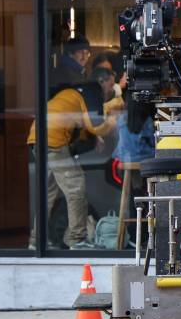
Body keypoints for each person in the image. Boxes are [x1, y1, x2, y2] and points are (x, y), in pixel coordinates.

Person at [28, 66, 118, 249]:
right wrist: (112, 121)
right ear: (100, 82)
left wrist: (93, 136)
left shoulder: (73, 93)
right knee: (76, 188)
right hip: (53, 141)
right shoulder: (92, 91)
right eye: (111, 85)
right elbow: (95, 124)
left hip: (38, 138)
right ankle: (77, 239)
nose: (111, 89)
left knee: (48, 193)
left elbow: (80, 121)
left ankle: (36, 241)